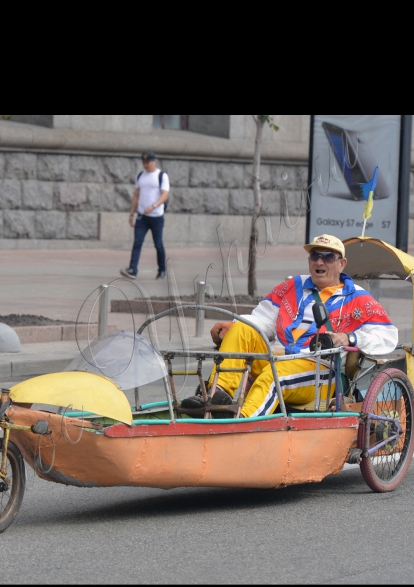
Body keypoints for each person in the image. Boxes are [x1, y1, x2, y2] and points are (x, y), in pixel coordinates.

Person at [182, 235, 399, 418]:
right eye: (315, 255)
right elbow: (262, 320)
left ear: (342, 263)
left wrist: (349, 338)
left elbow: (387, 336)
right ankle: (215, 395)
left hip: (318, 369)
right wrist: (236, 325)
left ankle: (243, 422)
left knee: (273, 376)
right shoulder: (291, 286)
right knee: (242, 328)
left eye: (328, 257)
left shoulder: (358, 298)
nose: (320, 262)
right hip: (276, 356)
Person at [120, 152, 170, 281]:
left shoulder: (161, 176)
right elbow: (136, 195)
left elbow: (165, 195)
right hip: (142, 216)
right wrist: (132, 213)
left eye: (147, 162)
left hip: (156, 217)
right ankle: (132, 269)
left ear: (154, 161)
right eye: (143, 162)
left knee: (158, 244)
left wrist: (154, 206)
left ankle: (162, 270)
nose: (145, 165)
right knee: (137, 242)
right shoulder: (141, 176)